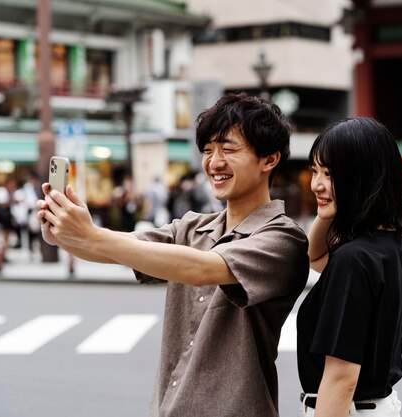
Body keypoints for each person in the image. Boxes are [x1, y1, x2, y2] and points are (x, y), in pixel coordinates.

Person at [36, 92, 309, 417]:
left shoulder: (283, 238)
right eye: (208, 150)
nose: (214, 162)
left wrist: (91, 236)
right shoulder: (193, 227)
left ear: (269, 159)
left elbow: (203, 269)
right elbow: (124, 249)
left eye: (229, 149)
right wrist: (65, 233)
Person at [297, 117, 402, 417]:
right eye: (315, 171)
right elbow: (313, 257)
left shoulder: (353, 259)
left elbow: (341, 380)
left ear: (363, 177)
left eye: (330, 173)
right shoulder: (397, 249)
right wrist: (327, 211)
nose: (316, 184)